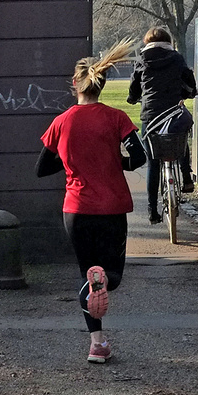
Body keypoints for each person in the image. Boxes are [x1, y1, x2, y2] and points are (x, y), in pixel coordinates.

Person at [37, 39, 147, 364]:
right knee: (111, 276)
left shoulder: (61, 122)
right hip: (112, 208)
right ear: (101, 84)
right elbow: (139, 157)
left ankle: (96, 343)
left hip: (76, 210)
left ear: (75, 84)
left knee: (87, 275)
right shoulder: (117, 119)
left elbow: (41, 168)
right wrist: (114, 161)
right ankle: (103, 280)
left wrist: (73, 161)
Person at [127, 25, 198, 224]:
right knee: (180, 138)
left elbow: (134, 85)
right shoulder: (176, 58)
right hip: (173, 112)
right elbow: (188, 79)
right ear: (168, 42)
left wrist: (132, 98)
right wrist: (190, 93)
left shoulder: (141, 60)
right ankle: (186, 178)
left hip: (150, 115)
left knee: (153, 161)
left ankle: (152, 209)